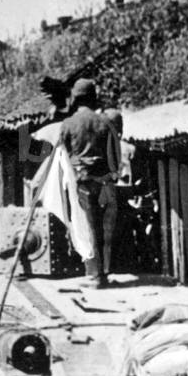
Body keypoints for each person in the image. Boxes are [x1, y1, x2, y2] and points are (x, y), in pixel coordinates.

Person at [59, 79, 121, 288]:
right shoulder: (105, 122)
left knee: (87, 226)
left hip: (82, 180)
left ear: (76, 99)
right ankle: (103, 272)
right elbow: (114, 150)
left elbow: (64, 151)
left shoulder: (68, 124)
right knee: (103, 226)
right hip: (103, 180)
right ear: (93, 97)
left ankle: (95, 276)